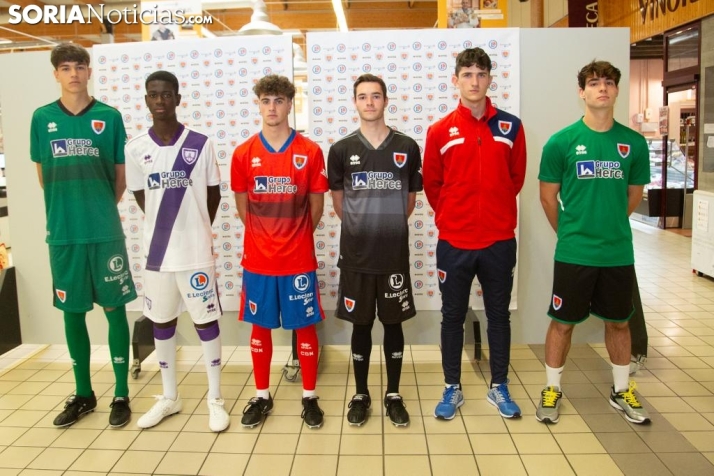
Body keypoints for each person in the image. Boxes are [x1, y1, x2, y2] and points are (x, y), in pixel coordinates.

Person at [537, 60, 651, 425]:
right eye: (593, 82)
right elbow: (547, 198)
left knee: (619, 323)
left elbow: (633, 196)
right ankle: (552, 389)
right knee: (562, 323)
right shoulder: (562, 142)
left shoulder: (632, 143)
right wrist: (571, 232)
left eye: (608, 82)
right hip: (574, 252)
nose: (602, 88)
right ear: (581, 91)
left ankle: (621, 390)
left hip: (617, 252)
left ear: (616, 90)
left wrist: (610, 223)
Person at [30, 43, 136, 428]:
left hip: (104, 233)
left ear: (89, 72)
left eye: (79, 66)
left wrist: (96, 208)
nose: (73, 73)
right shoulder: (42, 118)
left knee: (114, 310)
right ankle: (83, 393)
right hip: (63, 235)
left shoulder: (109, 116)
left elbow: (120, 178)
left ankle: (121, 393)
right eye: (65, 67)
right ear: (56, 74)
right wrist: (69, 209)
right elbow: (44, 176)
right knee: (73, 313)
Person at [423, 47, 526, 420]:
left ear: (490, 79)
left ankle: (499, 386)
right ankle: (452, 386)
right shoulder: (439, 131)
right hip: (454, 241)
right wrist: (454, 216)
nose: (474, 81)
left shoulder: (511, 126)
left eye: (481, 74)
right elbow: (433, 185)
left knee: (499, 315)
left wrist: (494, 211)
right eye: (467, 74)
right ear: (456, 80)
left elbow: (515, 179)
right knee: (452, 316)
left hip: (499, 240)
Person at [125, 71, 229, 432]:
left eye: (166, 95)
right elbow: (142, 198)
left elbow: (212, 196)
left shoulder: (201, 143)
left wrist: (193, 228)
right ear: (146, 100)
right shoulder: (135, 147)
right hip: (157, 257)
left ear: (178, 98)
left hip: (196, 252)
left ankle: (215, 398)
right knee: (162, 322)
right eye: (153, 95)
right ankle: (170, 396)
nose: (160, 101)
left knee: (205, 322)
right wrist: (165, 227)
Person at [231, 75, 328, 429]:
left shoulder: (310, 151)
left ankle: (309, 396)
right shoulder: (243, 153)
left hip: (298, 259)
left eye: (279, 101)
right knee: (261, 328)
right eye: (266, 100)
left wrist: (294, 236)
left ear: (290, 104)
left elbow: (315, 208)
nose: (272, 108)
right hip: (258, 261)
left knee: (305, 328)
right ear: (258, 103)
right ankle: (261, 394)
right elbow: (243, 208)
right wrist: (264, 238)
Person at [327, 74, 423, 427]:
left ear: (385, 101)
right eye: (363, 97)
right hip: (356, 257)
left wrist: (385, 225)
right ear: (355, 102)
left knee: (393, 324)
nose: (369, 102)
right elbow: (340, 205)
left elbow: (408, 203)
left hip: (393, 255)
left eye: (376, 96)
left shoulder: (408, 147)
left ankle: (393, 393)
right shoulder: (340, 150)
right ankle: (362, 393)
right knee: (361, 325)